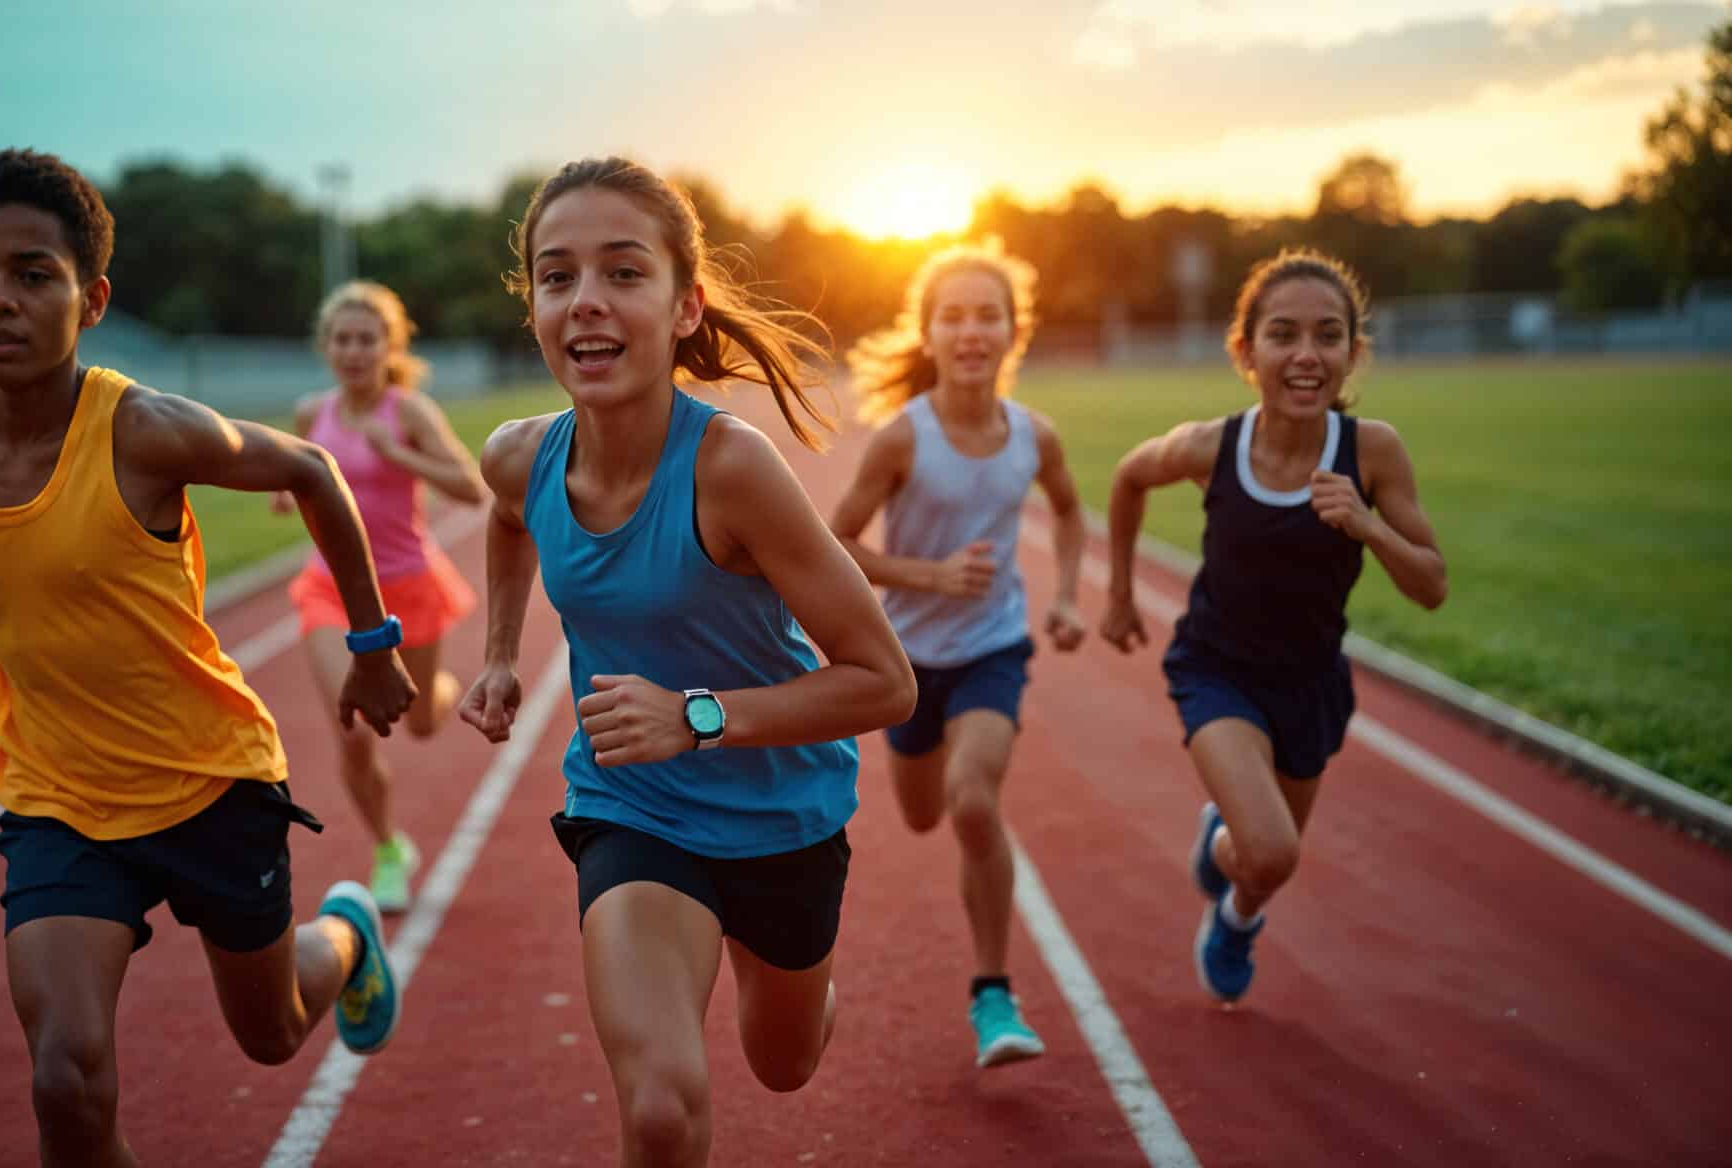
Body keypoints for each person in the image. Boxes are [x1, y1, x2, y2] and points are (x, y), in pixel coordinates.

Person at [0, 148, 416, 1167]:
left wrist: (369, 644)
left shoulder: (144, 431)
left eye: (31, 275)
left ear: (90, 299)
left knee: (269, 1035)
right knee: (65, 1078)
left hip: (209, 781)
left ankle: (347, 932)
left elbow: (312, 469)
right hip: (58, 800)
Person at [458, 156, 916, 1167]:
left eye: (623, 273)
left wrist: (696, 714)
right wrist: (497, 653)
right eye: (556, 275)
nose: (585, 301)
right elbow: (505, 519)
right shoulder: (516, 454)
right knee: (661, 1110)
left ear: (682, 306)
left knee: (783, 1063)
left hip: (783, 819)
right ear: (531, 303)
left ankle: (800, 987)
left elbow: (883, 680)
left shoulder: (732, 469)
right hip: (635, 812)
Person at [1100, 248, 1448, 1003]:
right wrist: (1121, 594)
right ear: (1245, 350)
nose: (1305, 355)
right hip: (1216, 668)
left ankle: (1234, 901)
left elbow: (1432, 587)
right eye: (1283, 334)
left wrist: (1369, 527)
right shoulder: (1211, 446)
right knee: (1274, 849)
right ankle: (1241, 897)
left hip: (1310, 682)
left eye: (1328, 336)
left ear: (1353, 355)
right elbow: (1128, 477)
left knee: (1263, 863)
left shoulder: (1373, 452)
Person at [828, 240, 1088, 1068]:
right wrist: (928, 576)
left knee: (974, 802)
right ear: (929, 333)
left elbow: (1074, 516)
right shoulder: (902, 440)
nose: (972, 331)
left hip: (992, 649)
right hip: (907, 664)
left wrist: (1069, 599)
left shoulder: (1033, 437)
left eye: (988, 316)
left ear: (1014, 332)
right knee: (919, 812)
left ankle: (993, 995)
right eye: (955, 316)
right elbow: (835, 546)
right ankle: (991, 985)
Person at [276, 279, 485, 912]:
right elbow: (299, 475)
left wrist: (400, 455)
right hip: (330, 589)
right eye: (342, 339)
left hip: (407, 588)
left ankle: (441, 690)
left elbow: (471, 487)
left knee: (417, 723)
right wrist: (288, 493)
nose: (354, 350)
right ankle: (389, 848)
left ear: (388, 346)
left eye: (367, 339)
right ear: (326, 346)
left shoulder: (409, 411)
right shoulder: (313, 411)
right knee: (356, 728)